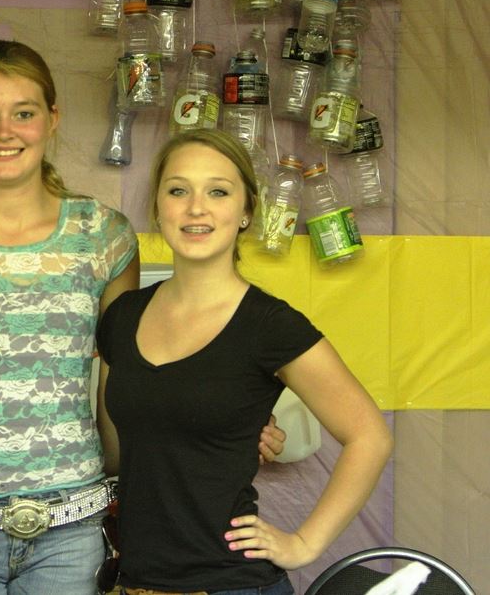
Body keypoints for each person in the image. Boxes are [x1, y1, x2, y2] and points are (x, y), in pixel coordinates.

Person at [0, 41, 284, 595]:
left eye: (23, 112)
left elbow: (134, 378)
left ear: (52, 119)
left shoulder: (104, 235)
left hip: (69, 524)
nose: (5, 130)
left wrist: (222, 427)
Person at [96, 128, 393, 595]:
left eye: (218, 191)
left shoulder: (269, 324)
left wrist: (304, 543)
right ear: (158, 207)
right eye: (178, 190)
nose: (197, 207)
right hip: (135, 582)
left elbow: (369, 437)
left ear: (246, 212)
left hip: (232, 584)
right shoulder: (122, 317)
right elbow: (115, 453)